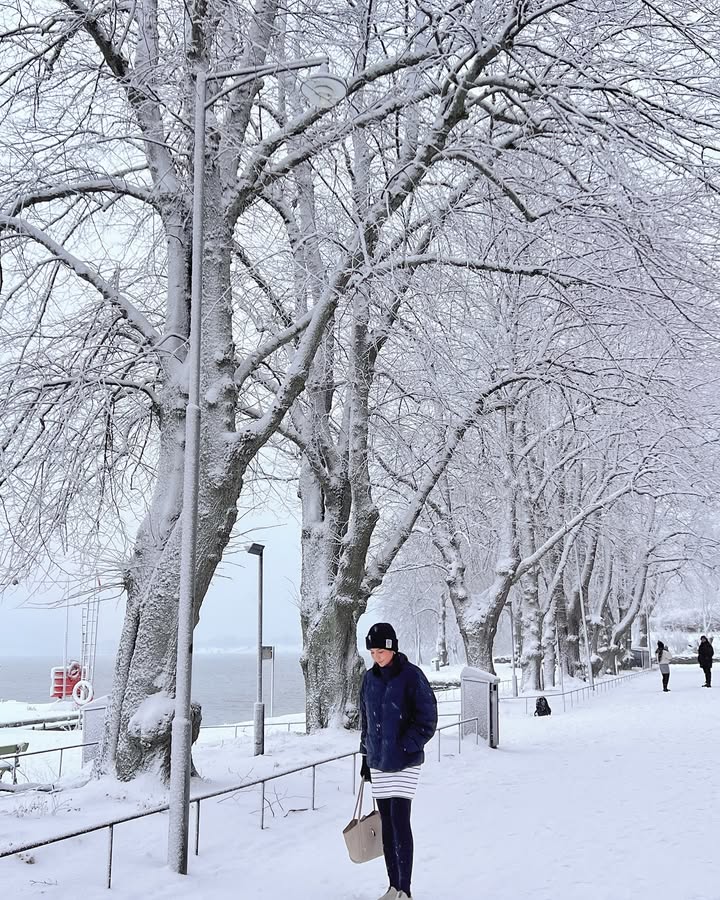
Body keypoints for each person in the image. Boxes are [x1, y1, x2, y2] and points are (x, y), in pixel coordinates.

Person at [359, 623, 438, 900]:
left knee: (401, 823)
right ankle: (393, 886)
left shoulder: (411, 676)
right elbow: (365, 721)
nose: (377, 656)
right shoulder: (369, 679)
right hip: (379, 762)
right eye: (372, 652)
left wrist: (406, 745)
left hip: (405, 763)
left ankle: (406, 890)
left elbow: (427, 720)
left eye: (381, 650)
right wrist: (366, 757)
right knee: (387, 827)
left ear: (392, 647)